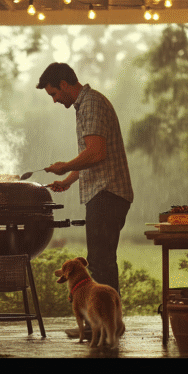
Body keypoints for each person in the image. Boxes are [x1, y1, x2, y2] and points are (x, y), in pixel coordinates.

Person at [37, 62, 133, 337]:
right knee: (101, 260)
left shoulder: (91, 104)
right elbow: (91, 153)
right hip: (105, 192)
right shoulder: (87, 104)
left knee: (101, 263)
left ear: (65, 85)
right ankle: (107, 325)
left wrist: (66, 166)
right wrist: (68, 179)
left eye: (54, 94)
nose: (55, 100)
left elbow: (96, 152)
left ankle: (105, 327)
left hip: (107, 192)